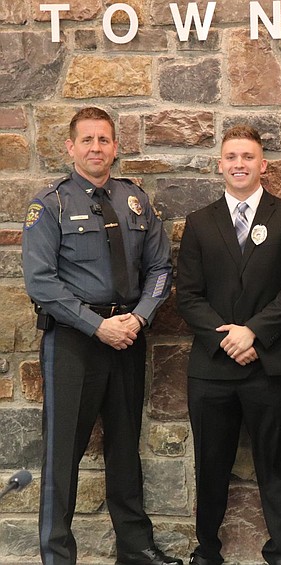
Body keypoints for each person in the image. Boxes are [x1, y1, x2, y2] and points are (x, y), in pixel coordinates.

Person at [21, 107, 180, 565]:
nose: (96, 147)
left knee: (125, 445)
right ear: (70, 147)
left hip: (128, 336)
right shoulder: (49, 204)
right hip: (74, 340)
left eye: (104, 140)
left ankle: (135, 548)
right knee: (63, 451)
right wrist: (97, 326)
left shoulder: (135, 201)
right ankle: (57, 555)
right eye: (87, 140)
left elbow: (160, 269)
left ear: (115, 146)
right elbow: (41, 283)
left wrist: (141, 317)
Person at [176, 125, 281, 565]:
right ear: (220, 165)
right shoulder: (199, 223)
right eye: (232, 157)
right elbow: (188, 295)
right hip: (212, 368)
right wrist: (227, 338)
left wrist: (252, 332)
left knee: (274, 466)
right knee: (210, 466)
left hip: (266, 364)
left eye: (248, 157)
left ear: (263, 165)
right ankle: (207, 551)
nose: (240, 164)